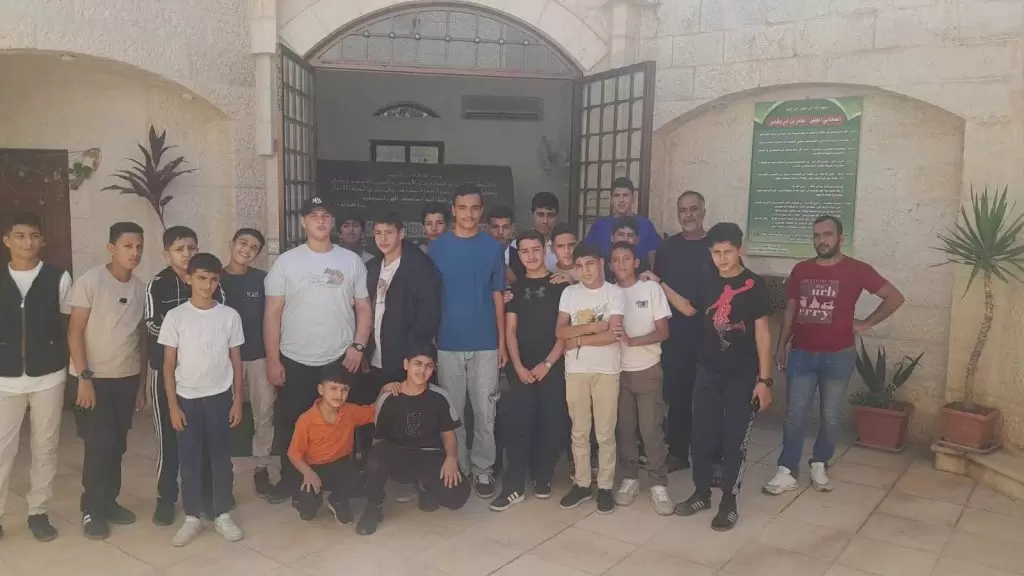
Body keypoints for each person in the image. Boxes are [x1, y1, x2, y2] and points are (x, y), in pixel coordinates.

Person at [765, 215, 904, 495]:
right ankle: (787, 470)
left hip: (838, 355)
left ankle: (820, 462)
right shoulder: (801, 270)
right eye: (816, 235)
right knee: (794, 414)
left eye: (827, 234)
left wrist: (866, 323)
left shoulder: (857, 270)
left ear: (841, 238)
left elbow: (894, 297)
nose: (821, 240)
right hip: (802, 353)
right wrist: (781, 345)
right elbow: (791, 310)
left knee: (830, 415)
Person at [264, 196, 371, 504]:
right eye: (314, 215)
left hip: (339, 358)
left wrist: (358, 346)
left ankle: (341, 479)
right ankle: (290, 479)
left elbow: (364, 308)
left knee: (341, 421)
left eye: (326, 215)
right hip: (295, 358)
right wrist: (273, 360)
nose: (321, 220)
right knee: (293, 421)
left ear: (332, 222)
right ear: (303, 222)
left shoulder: (350, 261)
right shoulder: (286, 262)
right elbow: (272, 313)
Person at [675, 223, 772, 532]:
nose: (722, 258)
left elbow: (763, 334)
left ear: (740, 249)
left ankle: (728, 502)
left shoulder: (754, 284)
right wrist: (659, 282)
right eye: (716, 252)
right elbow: (689, 309)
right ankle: (701, 493)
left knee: (734, 440)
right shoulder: (707, 279)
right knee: (702, 436)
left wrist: (765, 381)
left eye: (728, 252)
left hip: (741, 375)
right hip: (708, 371)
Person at [67, 222, 147, 540]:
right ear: (111, 248)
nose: (135, 252)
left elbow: (141, 338)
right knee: (99, 445)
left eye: (139, 246)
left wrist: (141, 385)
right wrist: (84, 378)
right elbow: (74, 331)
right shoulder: (91, 281)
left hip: (125, 379)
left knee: (118, 444)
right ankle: (92, 509)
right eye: (128, 246)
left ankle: (109, 502)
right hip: (93, 379)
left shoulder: (140, 288)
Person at [159, 253, 245, 546]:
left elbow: (236, 362)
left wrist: (237, 400)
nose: (207, 285)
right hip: (187, 400)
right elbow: (168, 365)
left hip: (220, 398)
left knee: (221, 458)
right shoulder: (176, 317)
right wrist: (173, 406)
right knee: (189, 459)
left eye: (213, 279)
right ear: (189, 279)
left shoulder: (229, 316)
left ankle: (222, 513)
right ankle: (192, 516)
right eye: (201, 278)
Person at [428, 183, 506, 498]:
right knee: (454, 412)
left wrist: (501, 343)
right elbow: (431, 297)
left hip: (486, 342)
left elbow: (498, 297)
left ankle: (483, 470)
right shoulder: (437, 248)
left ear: (481, 211)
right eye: (463, 208)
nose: (469, 214)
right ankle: (458, 466)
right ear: (453, 210)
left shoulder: (492, 248)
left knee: (486, 412)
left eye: (475, 208)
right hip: (448, 342)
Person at [0, 212, 72, 542]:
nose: (27, 242)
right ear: (7, 240)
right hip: (5, 378)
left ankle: (38, 511)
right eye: (20, 236)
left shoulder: (58, 277)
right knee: (3, 451)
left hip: (48, 376)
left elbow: (69, 326)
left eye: (33, 236)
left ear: (42, 240)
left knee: (45, 447)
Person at [145, 226, 222, 526]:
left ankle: (205, 497)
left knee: (202, 438)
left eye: (192, 248)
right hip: (165, 370)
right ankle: (166, 498)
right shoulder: (158, 284)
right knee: (168, 438)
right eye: (179, 249)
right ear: (167, 254)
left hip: (203, 375)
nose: (186, 254)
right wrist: (186, 326)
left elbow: (219, 319)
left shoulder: (211, 280)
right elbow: (153, 325)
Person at [356, 345, 470, 535]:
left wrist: (451, 459)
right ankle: (373, 506)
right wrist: (377, 470)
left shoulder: (439, 397)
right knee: (376, 458)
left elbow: (449, 435)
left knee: (457, 496)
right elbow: (378, 440)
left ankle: (425, 486)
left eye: (428, 366)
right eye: (417, 363)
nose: (422, 370)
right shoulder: (390, 396)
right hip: (399, 456)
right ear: (406, 364)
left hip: (429, 456)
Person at [490, 231, 567, 512]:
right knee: (519, 425)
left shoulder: (561, 286)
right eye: (524, 251)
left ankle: (542, 476)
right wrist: (519, 366)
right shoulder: (516, 289)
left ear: (544, 250)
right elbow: (510, 330)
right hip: (521, 366)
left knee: (551, 423)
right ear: (518, 255)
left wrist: (547, 364)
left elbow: (565, 331)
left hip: (553, 364)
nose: (531, 256)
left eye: (536, 249)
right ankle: (513, 487)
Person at [555, 242, 624, 514]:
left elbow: (613, 335)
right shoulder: (569, 293)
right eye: (580, 265)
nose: (585, 270)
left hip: (606, 370)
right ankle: (582, 483)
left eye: (590, 264)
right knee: (579, 430)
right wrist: (594, 327)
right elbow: (560, 332)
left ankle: (605, 486)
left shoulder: (614, 293)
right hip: (576, 370)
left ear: (601, 264)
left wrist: (579, 338)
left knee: (605, 432)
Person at [364, 213, 441, 452]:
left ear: (401, 233)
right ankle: (375, 462)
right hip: (375, 357)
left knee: (408, 417)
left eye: (389, 232)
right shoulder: (372, 267)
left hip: (404, 359)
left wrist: (411, 356)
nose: (383, 238)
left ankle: (410, 464)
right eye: (378, 233)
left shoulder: (418, 266)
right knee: (376, 413)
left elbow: (428, 314)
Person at [608, 242, 673, 516]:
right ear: (610, 265)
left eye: (627, 258)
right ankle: (630, 479)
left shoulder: (650, 289)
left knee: (650, 430)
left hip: (647, 368)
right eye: (616, 259)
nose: (621, 264)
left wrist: (632, 341)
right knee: (624, 429)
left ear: (636, 262)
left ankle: (658, 483)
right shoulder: (608, 292)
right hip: (616, 371)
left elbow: (663, 332)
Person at [653, 191, 711, 471]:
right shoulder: (668, 248)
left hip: (710, 335)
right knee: (677, 395)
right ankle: (677, 452)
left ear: (703, 211)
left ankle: (712, 457)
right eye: (683, 210)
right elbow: (657, 288)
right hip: (675, 335)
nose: (688, 215)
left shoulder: (716, 246)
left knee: (708, 399)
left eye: (693, 209)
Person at [288, 362, 387, 524]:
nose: (339, 395)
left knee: (357, 478)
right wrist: (308, 473)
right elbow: (293, 454)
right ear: (321, 389)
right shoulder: (306, 420)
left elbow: (373, 412)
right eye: (333, 389)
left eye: (344, 390)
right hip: (312, 467)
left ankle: (338, 498)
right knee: (307, 510)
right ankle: (313, 497)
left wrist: (383, 392)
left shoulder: (349, 411)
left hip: (340, 464)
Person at [219, 228, 275, 497]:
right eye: (242, 243)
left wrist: (274, 358)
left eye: (254, 247)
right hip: (222, 361)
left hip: (257, 356)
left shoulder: (262, 280)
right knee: (220, 414)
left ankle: (261, 468)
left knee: (264, 413)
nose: (247, 250)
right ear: (231, 243)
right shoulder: (214, 278)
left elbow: (272, 319)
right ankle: (221, 471)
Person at [584, 178, 660, 262]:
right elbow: (588, 257)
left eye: (625, 195)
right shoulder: (599, 226)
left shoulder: (646, 225)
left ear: (633, 198)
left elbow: (653, 257)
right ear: (611, 199)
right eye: (617, 196)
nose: (621, 200)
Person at [604, 216, 650, 282]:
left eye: (630, 235)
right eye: (621, 234)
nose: (625, 239)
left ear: (637, 240)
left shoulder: (642, 265)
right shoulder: (602, 264)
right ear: (612, 237)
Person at [487, 206, 520, 283]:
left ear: (512, 228)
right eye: (495, 227)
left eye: (505, 227)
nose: (500, 232)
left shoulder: (521, 257)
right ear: (487, 228)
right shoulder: (478, 255)